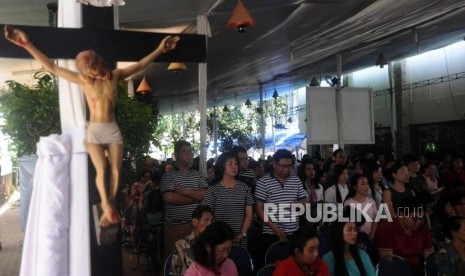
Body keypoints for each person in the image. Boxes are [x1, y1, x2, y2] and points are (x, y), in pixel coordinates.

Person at [4, 25, 180, 227]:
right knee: (101, 169)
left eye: (90, 69)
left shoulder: (115, 76)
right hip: (95, 129)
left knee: (115, 170)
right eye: (84, 71)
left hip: (112, 129)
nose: (88, 73)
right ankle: (106, 206)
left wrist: (160, 50)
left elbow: (140, 65)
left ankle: (110, 207)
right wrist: (26, 44)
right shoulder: (84, 81)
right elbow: (53, 68)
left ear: (98, 63)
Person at [254, 149, 308, 271]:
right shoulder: (263, 183)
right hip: (271, 234)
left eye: (289, 166)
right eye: (283, 166)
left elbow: (305, 202)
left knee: (294, 268)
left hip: (293, 233)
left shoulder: (296, 180)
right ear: (274, 164)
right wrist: (275, 229)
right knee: (274, 268)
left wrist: (298, 204)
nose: (286, 169)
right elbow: (259, 209)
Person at [161, 140, 208, 258]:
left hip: (197, 227)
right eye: (184, 151)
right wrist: (195, 198)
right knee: (174, 261)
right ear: (176, 155)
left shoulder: (198, 175)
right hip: (175, 227)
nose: (188, 153)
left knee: (196, 260)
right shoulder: (168, 176)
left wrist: (185, 192)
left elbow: (205, 194)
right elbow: (170, 198)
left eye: (190, 151)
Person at [202, 152, 254, 248]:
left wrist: (242, 233)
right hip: (219, 239)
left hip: (240, 239)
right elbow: (207, 214)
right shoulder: (213, 189)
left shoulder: (244, 188)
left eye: (236, 164)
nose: (234, 166)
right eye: (230, 164)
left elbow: (248, 214)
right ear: (222, 166)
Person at [375, 196, 434, 275]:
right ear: (401, 214)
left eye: (421, 219)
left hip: (419, 269)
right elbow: (388, 260)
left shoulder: (422, 228)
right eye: (415, 219)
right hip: (397, 271)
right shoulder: (386, 228)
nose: (419, 222)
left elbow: (429, 255)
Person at [322, 207, 376, 276]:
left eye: (356, 229)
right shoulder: (329, 258)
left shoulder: (362, 255)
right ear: (339, 231)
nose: (354, 233)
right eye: (350, 229)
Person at [172, 205, 214, 276]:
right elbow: (177, 273)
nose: (210, 224)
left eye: (212, 221)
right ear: (194, 222)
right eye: (206, 220)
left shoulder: (215, 243)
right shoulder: (181, 245)